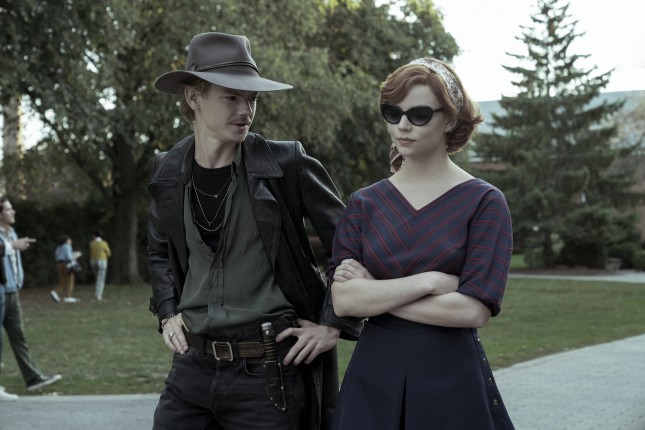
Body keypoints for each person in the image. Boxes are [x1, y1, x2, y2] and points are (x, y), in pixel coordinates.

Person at [148, 32, 362, 430]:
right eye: (231, 97)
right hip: (191, 368)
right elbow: (159, 251)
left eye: (252, 99)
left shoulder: (286, 163)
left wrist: (334, 324)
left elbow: (351, 244)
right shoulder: (167, 170)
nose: (245, 110)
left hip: (269, 370)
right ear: (194, 98)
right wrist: (167, 311)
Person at [327, 58, 515, 429]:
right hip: (373, 377)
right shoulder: (364, 203)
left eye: (419, 114)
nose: (402, 125)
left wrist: (376, 293)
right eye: (392, 113)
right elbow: (344, 301)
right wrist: (428, 282)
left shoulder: (485, 202)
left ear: (450, 119)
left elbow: (473, 311)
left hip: (450, 379)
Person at [0, 196, 62, 397]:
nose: (13, 212)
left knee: (19, 336)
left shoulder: (12, 233)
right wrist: (13, 246)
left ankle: (33, 378)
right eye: (8, 209)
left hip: (12, 293)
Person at [51, 234, 79, 303]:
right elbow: (69, 257)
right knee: (70, 280)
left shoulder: (58, 248)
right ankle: (68, 297)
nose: (71, 241)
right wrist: (75, 257)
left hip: (59, 264)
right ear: (66, 240)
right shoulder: (67, 246)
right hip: (66, 264)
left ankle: (55, 292)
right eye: (69, 239)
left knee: (63, 280)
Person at [89, 230, 111, 301]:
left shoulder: (91, 243)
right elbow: (109, 253)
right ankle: (98, 295)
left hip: (93, 261)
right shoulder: (104, 243)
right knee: (101, 279)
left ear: (94, 235)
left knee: (97, 278)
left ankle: (98, 292)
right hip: (102, 261)